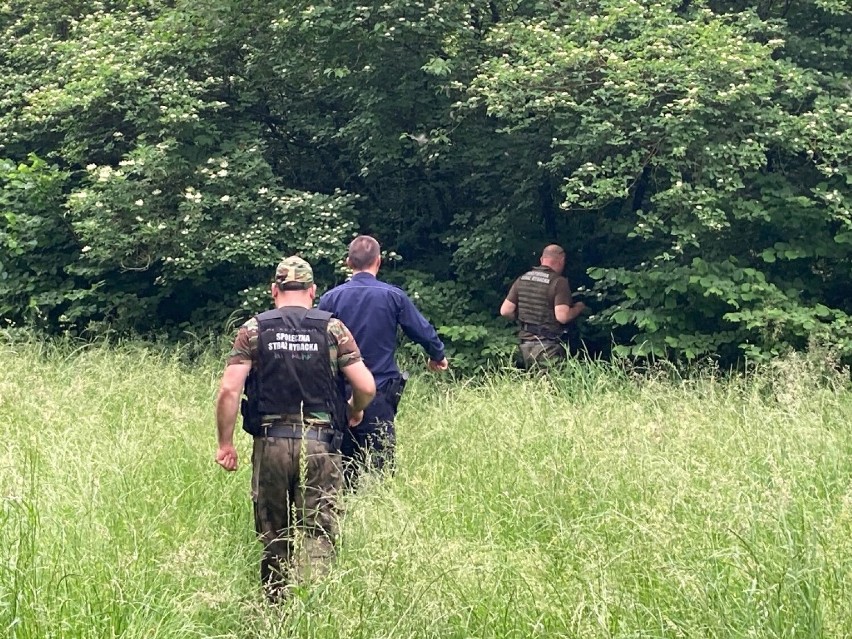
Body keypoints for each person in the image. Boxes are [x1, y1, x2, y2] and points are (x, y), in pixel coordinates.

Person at [215, 256, 375, 601]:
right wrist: (353, 410)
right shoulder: (333, 329)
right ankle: (314, 606)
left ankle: (276, 607)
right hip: (320, 445)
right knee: (318, 530)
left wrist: (225, 444)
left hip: (270, 443)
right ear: (313, 291)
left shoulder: (253, 329)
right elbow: (367, 386)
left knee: (275, 534)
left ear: (275, 290)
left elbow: (230, 389)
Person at [318, 235, 448, 485]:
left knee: (340, 470)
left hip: (340, 394)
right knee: (380, 472)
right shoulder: (393, 296)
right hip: (380, 393)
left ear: (348, 262)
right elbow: (421, 329)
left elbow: (319, 342)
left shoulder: (330, 299)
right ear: (379, 261)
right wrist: (437, 355)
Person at [499, 244, 586, 368]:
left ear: (541, 260)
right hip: (548, 347)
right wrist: (579, 308)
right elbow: (562, 316)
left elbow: (505, 311)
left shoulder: (522, 279)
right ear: (562, 260)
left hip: (524, 345)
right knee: (553, 385)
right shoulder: (558, 282)